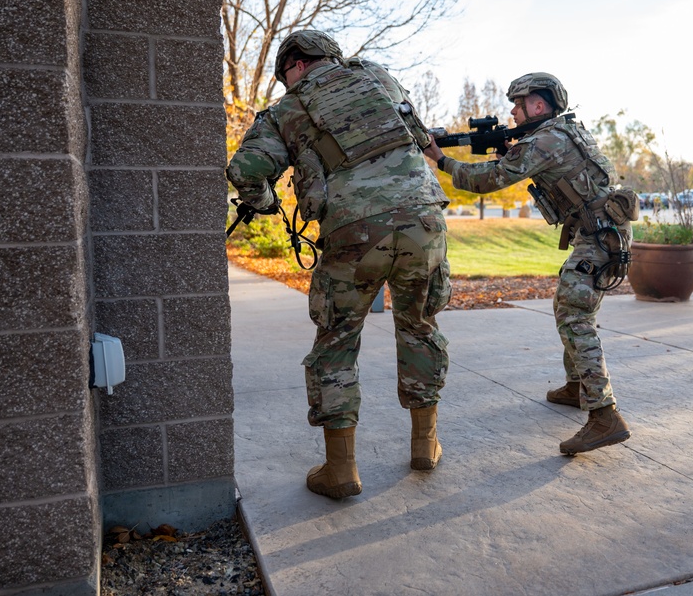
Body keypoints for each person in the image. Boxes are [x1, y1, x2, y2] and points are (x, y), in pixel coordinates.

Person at [226, 30, 452, 499]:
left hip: (354, 233)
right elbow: (419, 135)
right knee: (420, 328)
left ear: (297, 65)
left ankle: (341, 469)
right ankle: (424, 445)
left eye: (285, 74)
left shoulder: (286, 110)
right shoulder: (378, 78)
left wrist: (265, 202)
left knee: (337, 341)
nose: (286, 83)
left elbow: (246, 170)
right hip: (424, 221)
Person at [424, 72, 636, 455]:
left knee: (575, 316)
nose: (512, 111)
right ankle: (577, 387)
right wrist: (514, 153)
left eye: (518, 104)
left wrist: (441, 160)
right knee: (566, 307)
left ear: (538, 106)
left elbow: (487, 180)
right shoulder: (564, 131)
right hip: (603, 233)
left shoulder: (545, 140)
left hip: (600, 238)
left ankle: (605, 415)